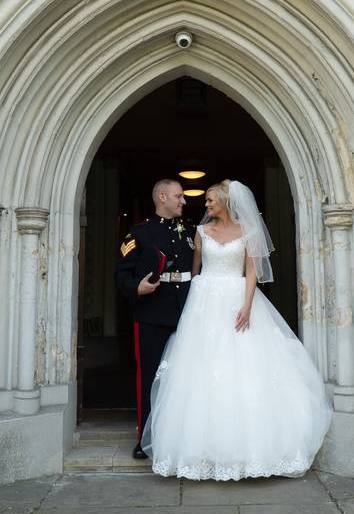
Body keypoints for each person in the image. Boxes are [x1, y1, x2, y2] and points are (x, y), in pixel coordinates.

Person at [141, 179, 332, 480]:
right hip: (206, 302)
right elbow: (195, 271)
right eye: (205, 201)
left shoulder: (248, 232)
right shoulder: (200, 233)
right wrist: (192, 310)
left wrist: (247, 305)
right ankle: (201, 452)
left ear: (227, 202)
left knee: (245, 366)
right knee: (203, 369)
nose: (205, 205)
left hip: (238, 297)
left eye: (210, 200)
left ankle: (251, 452)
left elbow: (252, 270)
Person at [115, 178, 195, 460]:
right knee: (149, 377)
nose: (183, 201)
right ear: (162, 197)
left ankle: (184, 435)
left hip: (188, 312)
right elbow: (121, 275)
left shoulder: (191, 232)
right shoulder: (139, 233)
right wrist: (136, 287)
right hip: (151, 313)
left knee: (186, 376)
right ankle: (145, 439)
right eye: (178, 196)